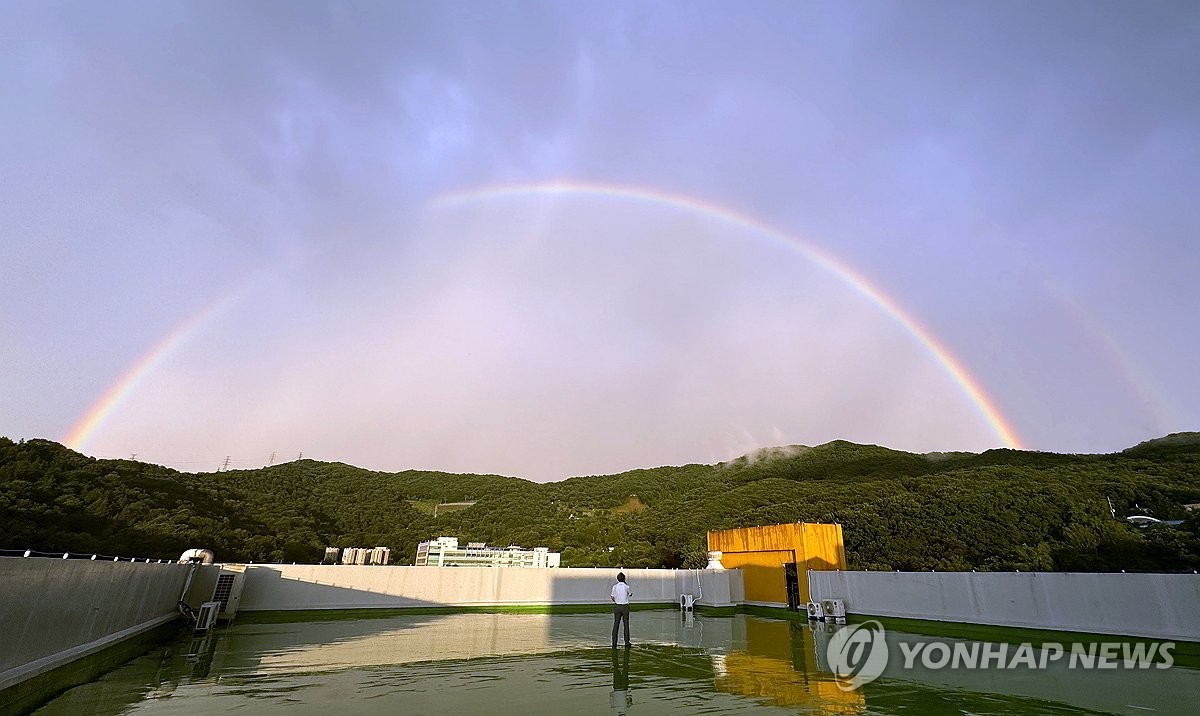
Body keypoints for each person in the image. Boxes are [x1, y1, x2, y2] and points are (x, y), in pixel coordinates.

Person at [610, 572, 632, 647]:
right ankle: (627, 642)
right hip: (625, 606)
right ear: (624, 578)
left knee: (616, 624)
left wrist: (616, 601)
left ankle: (614, 642)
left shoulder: (614, 587)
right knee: (626, 625)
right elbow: (630, 594)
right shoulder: (627, 587)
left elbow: (612, 597)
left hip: (617, 606)